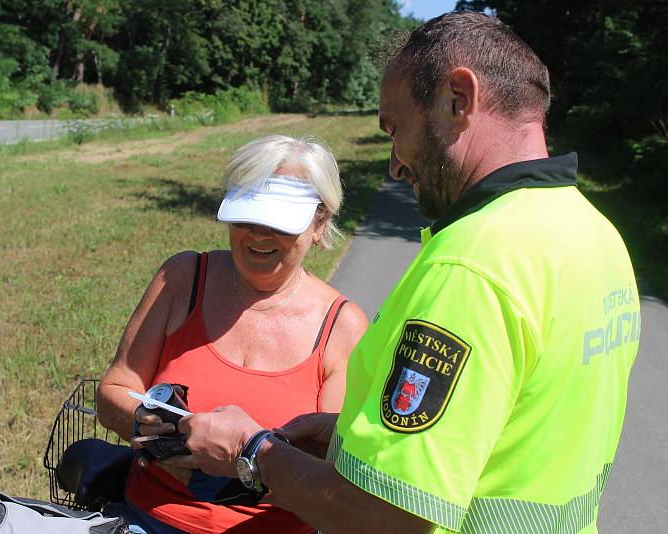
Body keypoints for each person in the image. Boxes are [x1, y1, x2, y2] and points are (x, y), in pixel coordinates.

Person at [169, 11, 641, 534]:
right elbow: (513, 427)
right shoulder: (597, 235)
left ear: (458, 100)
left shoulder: (472, 264)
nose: (394, 163)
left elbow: (384, 517)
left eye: (396, 128)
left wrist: (251, 449)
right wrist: (350, 440)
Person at [96, 134, 368, 533]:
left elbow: (331, 472)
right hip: (146, 519)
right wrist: (152, 432)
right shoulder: (182, 279)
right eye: (245, 219)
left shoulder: (341, 327)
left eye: (278, 223)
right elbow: (114, 391)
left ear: (319, 221)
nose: (258, 235)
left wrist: (243, 462)